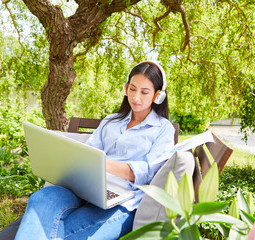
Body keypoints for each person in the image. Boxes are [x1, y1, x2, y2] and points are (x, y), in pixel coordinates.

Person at [15, 60, 175, 240]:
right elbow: (88, 151)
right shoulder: (110, 121)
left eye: (145, 92)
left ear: (157, 96)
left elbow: (148, 172)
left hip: (123, 200)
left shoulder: (163, 129)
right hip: (84, 186)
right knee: (41, 199)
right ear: (126, 88)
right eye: (132, 88)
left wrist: (102, 164)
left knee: (61, 233)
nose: (136, 97)